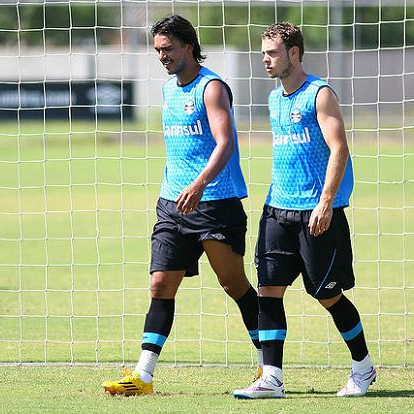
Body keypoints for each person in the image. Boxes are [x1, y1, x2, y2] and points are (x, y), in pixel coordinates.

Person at [101, 15, 262, 396]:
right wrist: (179, 189)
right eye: (158, 50)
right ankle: (142, 376)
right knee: (160, 285)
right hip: (172, 204)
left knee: (233, 284)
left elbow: (225, 143)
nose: (162, 56)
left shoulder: (212, 88)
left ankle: (266, 363)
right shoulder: (168, 89)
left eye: (168, 48)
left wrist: (199, 184)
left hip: (215, 203)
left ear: (189, 46)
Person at [233, 22, 376, 399]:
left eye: (272, 53)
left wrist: (326, 201)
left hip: (316, 214)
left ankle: (363, 367)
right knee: (268, 290)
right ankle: (272, 378)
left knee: (328, 295)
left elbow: (339, 148)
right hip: (277, 211)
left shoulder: (319, 94)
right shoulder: (274, 99)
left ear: (293, 53)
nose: (265, 60)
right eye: (263, 53)